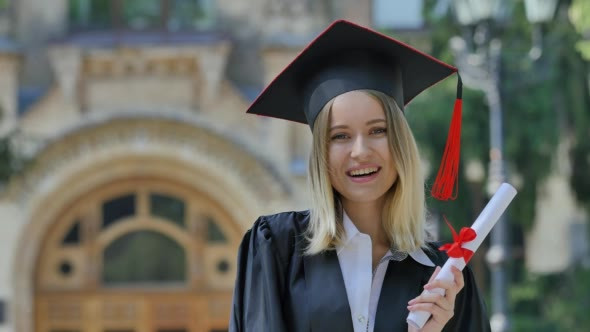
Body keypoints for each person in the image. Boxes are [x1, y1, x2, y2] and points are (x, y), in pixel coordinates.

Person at [230, 20, 491, 332]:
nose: (360, 151)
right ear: (321, 154)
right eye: (339, 136)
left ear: (401, 143)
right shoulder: (276, 249)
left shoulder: (443, 281)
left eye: (378, 130)